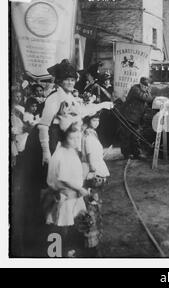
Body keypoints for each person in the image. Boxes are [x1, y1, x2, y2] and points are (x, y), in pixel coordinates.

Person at [13, 59, 113, 256]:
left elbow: (82, 111)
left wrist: (103, 104)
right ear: (59, 80)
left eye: (72, 79)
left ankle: (67, 239)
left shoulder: (70, 96)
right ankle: (52, 242)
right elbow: (43, 126)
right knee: (55, 190)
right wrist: (46, 153)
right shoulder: (54, 98)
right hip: (54, 141)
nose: (70, 82)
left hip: (67, 143)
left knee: (69, 192)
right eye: (66, 79)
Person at [45, 124, 89, 257]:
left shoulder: (69, 150)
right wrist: (80, 188)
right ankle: (60, 252)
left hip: (71, 193)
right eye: (72, 138)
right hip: (66, 193)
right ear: (64, 138)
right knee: (63, 223)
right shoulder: (62, 153)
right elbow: (64, 178)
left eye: (77, 137)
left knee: (70, 222)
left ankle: (67, 249)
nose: (76, 141)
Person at [81, 112, 110, 255]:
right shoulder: (89, 137)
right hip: (92, 172)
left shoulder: (90, 134)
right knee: (92, 206)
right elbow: (91, 158)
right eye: (94, 119)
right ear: (88, 120)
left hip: (93, 170)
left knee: (94, 205)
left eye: (98, 119)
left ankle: (93, 239)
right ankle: (91, 242)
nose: (97, 122)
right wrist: (94, 171)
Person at [119, 77, 153, 159]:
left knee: (135, 136)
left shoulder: (143, 90)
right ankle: (126, 154)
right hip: (128, 116)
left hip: (136, 117)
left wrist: (147, 91)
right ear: (140, 84)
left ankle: (136, 153)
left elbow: (150, 98)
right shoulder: (135, 89)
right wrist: (148, 91)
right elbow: (147, 98)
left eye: (147, 86)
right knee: (126, 136)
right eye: (144, 86)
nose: (145, 88)